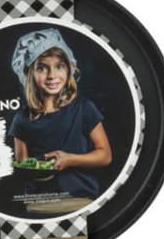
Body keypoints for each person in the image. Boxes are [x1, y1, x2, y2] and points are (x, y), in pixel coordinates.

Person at [8, 28, 112, 199]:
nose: (52, 75)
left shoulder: (84, 108)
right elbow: (22, 164)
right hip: (38, 200)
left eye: (59, 66)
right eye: (42, 68)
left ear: (70, 68)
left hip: (79, 198)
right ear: (28, 73)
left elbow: (105, 155)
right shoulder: (21, 118)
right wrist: (36, 168)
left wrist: (70, 159)